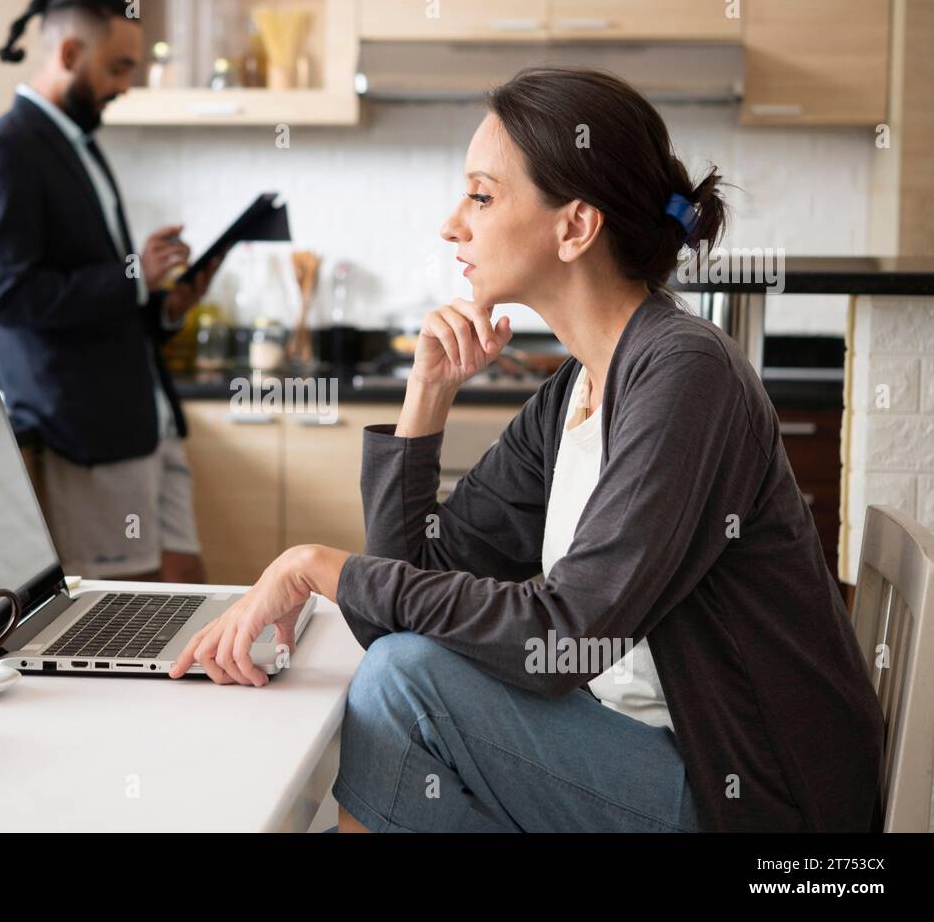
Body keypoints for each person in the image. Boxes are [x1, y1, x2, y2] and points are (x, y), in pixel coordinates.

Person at [169, 68, 885, 833]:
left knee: (404, 687)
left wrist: (318, 566)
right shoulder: (579, 384)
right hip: (637, 757)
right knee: (399, 676)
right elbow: (410, 597)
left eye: (481, 195)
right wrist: (425, 402)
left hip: (751, 801)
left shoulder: (684, 373)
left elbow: (568, 635)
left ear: (574, 227)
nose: (453, 224)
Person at [0, 0, 218, 583]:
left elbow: (98, 290)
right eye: (119, 67)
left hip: (146, 420)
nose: (126, 84)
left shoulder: (77, 145)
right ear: (70, 54)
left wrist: (163, 302)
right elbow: (10, 297)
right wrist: (131, 276)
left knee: (186, 589)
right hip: (84, 430)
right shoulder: (2, 150)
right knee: (126, 620)